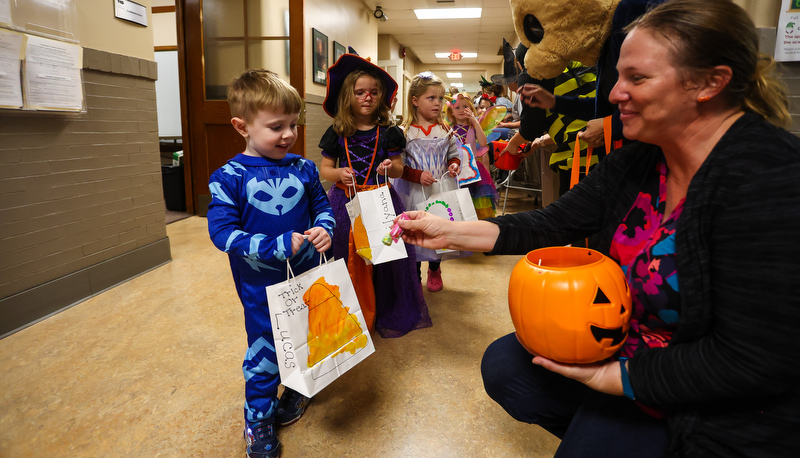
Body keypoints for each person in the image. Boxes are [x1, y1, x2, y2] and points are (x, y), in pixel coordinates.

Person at [395, 0, 800, 455]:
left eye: (637, 78)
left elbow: (754, 361)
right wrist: (448, 232)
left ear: (710, 82)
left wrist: (615, 378)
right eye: (618, 75)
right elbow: (551, 223)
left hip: (722, 401)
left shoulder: (772, 178)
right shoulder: (640, 161)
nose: (614, 94)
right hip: (635, 346)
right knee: (509, 366)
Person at [207, 69, 335, 458]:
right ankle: (258, 417)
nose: (288, 135)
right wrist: (273, 245)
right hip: (262, 290)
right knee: (265, 351)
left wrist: (324, 229)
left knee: (308, 337)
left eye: (294, 124)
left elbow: (321, 207)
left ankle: (298, 388)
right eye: (276, 126)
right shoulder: (228, 178)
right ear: (241, 126)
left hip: (309, 276)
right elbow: (223, 234)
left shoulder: (304, 168)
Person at [318, 54, 431, 338]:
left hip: (381, 201)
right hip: (345, 203)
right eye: (360, 92)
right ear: (348, 96)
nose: (367, 97)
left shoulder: (389, 132)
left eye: (373, 92)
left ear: (381, 96)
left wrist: (390, 166)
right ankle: (350, 310)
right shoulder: (337, 131)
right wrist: (338, 173)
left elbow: (398, 169)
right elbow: (325, 168)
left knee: (384, 257)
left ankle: (382, 309)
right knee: (346, 256)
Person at [518, 0, 667, 150]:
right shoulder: (604, 44)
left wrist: (610, 126)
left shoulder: (630, 12)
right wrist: (554, 102)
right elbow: (604, 107)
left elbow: (666, 99)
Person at [393, 71, 462, 292]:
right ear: (415, 101)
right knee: (415, 232)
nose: (438, 103)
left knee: (438, 230)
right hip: (413, 192)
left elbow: (453, 153)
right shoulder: (405, 132)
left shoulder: (445, 130)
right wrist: (416, 175)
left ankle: (435, 267)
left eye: (440, 99)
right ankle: (414, 274)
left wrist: (453, 164)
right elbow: (398, 166)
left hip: (440, 189)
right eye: (431, 98)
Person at [445, 92, 499, 219]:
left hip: (473, 169)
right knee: (458, 200)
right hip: (455, 169)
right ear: (451, 111)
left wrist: (475, 121)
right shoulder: (448, 128)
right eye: (457, 107)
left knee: (475, 201)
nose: (461, 110)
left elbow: (483, 143)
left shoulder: (472, 127)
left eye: (465, 107)